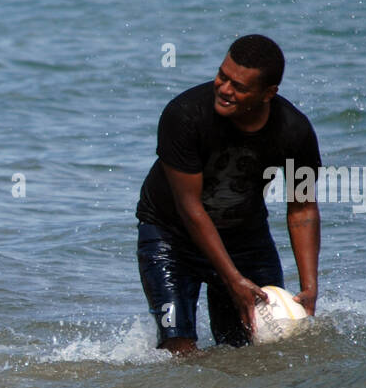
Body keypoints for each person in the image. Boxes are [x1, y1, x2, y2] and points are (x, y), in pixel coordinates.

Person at [136, 34, 321, 353]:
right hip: (171, 235)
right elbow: (190, 208)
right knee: (178, 348)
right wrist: (233, 280)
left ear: (268, 93)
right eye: (222, 76)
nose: (224, 88)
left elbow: (302, 208)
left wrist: (309, 287)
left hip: (245, 239)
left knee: (259, 348)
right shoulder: (183, 116)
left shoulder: (295, 133)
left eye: (239, 86)